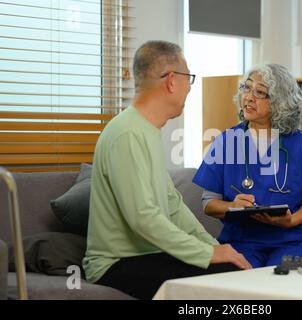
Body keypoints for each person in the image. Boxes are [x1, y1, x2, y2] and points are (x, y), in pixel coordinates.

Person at [82, 40, 251, 300]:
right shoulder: (127, 134)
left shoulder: (146, 130)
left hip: (147, 255)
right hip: (115, 264)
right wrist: (208, 255)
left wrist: (214, 247)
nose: (189, 89)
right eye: (188, 79)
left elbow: (172, 205)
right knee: (225, 278)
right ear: (171, 81)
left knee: (230, 267)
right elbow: (143, 217)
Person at [192, 63, 302, 268]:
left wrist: (292, 221)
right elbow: (209, 203)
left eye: (260, 92)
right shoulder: (226, 141)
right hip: (242, 242)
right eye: (246, 88)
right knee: (240, 275)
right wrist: (232, 206)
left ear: (280, 102)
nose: (249, 97)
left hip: (291, 242)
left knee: (282, 277)